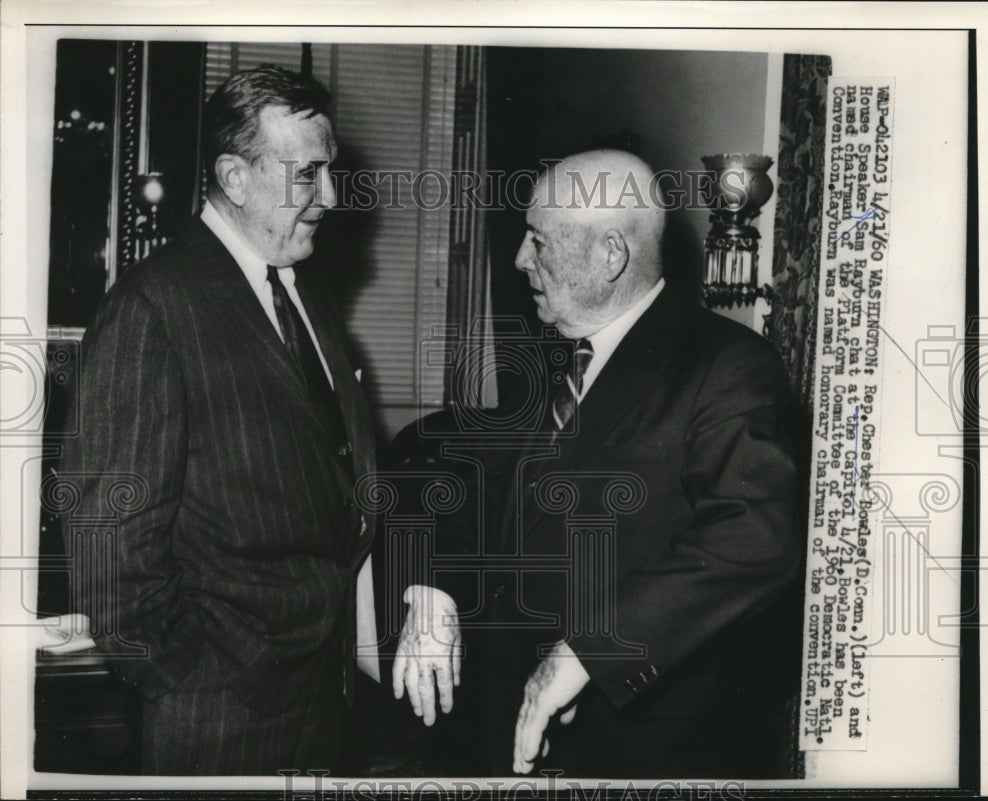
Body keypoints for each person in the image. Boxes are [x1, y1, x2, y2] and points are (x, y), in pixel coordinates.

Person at [391, 150, 802, 778]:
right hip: (504, 733)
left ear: (611, 255)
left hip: (637, 754)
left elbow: (751, 538)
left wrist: (589, 654)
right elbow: (464, 475)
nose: (520, 260)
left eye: (538, 241)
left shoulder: (726, 367)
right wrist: (432, 589)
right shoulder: (556, 351)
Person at [59, 66, 379, 775]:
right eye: (308, 176)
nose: (329, 197)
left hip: (318, 694)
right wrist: (193, 674)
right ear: (235, 178)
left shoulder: (304, 291)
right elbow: (107, 543)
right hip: (220, 711)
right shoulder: (154, 308)